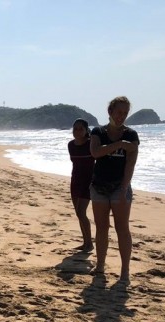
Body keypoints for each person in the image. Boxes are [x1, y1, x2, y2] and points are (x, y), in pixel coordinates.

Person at [89, 96, 139, 282]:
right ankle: (100, 266)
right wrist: (118, 145)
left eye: (125, 113)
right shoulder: (98, 132)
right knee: (102, 228)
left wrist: (124, 188)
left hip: (120, 186)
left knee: (122, 229)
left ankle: (125, 271)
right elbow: (95, 152)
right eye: (119, 112)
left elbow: (131, 163)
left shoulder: (131, 135)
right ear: (110, 111)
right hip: (99, 186)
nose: (122, 116)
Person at [67, 118, 95, 252]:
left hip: (88, 182)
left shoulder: (91, 144)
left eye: (80, 129)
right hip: (75, 180)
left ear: (86, 130)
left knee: (81, 212)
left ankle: (89, 244)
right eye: (75, 128)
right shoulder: (70, 145)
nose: (77, 131)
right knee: (78, 214)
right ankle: (85, 242)